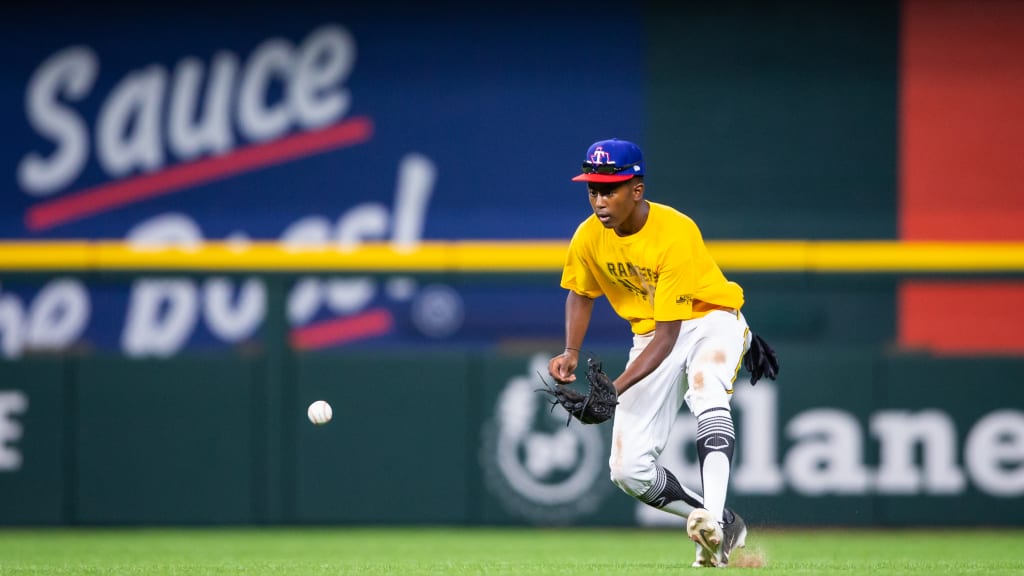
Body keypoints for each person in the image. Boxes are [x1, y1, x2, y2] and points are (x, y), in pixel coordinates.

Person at [547, 138, 777, 568]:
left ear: (636, 189)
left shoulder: (675, 231)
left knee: (707, 388)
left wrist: (612, 389)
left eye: (609, 189)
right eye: (593, 189)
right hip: (651, 333)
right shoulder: (588, 236)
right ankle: (718, 520)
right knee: (627, 470)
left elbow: (671, 336)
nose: (599, 199)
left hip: (710, 320)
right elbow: (580, 292)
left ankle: (714, 528)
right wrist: (570, 351)